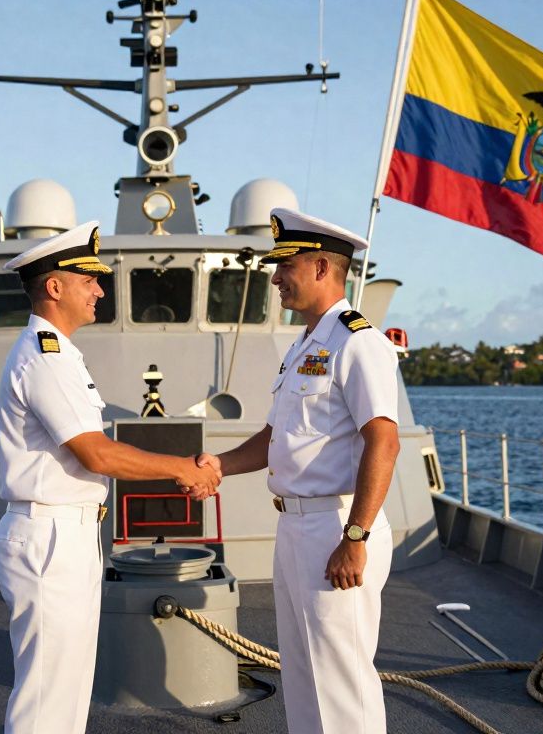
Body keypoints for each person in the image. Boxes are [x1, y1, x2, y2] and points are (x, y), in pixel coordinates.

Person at [0, 220, 222, 734]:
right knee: (47, 696)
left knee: (67, 688)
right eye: (89, 279)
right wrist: (183, 469)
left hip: (64, 534)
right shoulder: (46, 358)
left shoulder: (60, 355)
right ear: (55, 287)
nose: (100, 289)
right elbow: (96, 454)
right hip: (49, 536)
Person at [198, 208, 401, 733]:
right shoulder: (306, 347)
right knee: (306, 674)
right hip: (295, 527)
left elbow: (385, 439)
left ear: (319, 267)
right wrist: (219, 464)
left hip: (337, 527)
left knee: (342, 681)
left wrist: (355, 536)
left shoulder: (359, 343)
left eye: (284, 265)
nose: (275, 278)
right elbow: (277, 439)